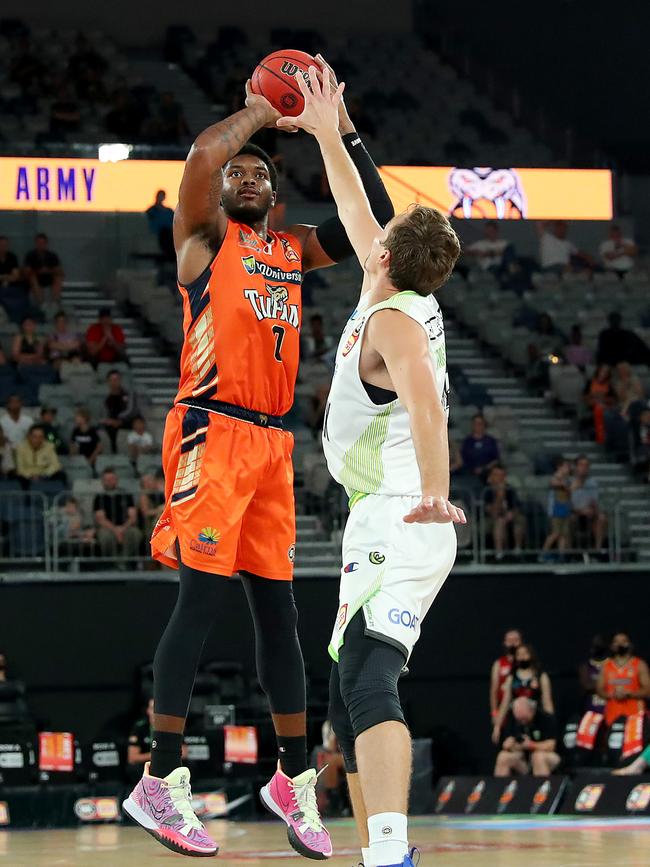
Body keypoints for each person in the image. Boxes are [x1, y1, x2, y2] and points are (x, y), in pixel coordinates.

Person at [124, 54, 395, 860]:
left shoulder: (288, 250)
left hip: (273, 443)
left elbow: (372, 220)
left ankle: (290, 777)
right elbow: (203, 159)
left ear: (275, 194)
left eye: (259, 174)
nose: (244, 176)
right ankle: (158, 778)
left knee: (280, 614)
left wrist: (339, 129)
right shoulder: (203, 240)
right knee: (201, 601)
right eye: (239, 172)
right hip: (211, 427)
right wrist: (257, 111)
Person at [286, 66, 465, 867]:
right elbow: (360, 204)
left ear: (388, 255)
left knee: (367, 675)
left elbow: (426, 406)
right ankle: (377, 844)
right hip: (379, 510)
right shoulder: (389, 290)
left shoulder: (394, 320)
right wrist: (331, 128)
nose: (369, 232)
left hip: (404, 509)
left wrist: (435, 492)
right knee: (343, 695)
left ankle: (389, 850)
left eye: (379, 236)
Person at [493, 644, 554, 744]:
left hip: (536, 721)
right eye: (519, 654)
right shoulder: (512, 678)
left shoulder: (540, 676)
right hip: (516, 723)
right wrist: (497, 725)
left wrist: (551, 724)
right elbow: (505, 703)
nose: (522, 657)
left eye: (525, 653)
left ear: (531, 655)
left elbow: (547, 701)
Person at [494, 697, 560, 777]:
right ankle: (501, 788)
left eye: (524, 719)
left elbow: (551, 746)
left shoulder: (546, 718)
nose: (522, 722)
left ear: (532, 710)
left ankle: (541, 788)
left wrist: (531, 745)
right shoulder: (514, 720)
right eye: (519, 720)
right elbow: (509, 742)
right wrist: (510, 745)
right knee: (503, 757)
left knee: (538, 757)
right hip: (525, 762)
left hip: (548, 758)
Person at [597, 633, 650, 727]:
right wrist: (611, 694)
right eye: (616, 641)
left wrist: (629, 694)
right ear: (612, 645)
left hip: (635, 716)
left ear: (629, 644)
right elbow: (599, 689)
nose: (620, 644)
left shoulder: (639, 664)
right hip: (612, 717)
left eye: (623, 641)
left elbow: (648, 689)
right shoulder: (606, 666)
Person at [93, 468, 142, 563]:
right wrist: (116, 530)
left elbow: (133, 516)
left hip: (126, 526)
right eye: (107, 480)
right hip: (107, 528)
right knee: (105, 537)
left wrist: (122, 529)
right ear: (103, 482)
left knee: (135, 534)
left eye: (112, 479)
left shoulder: (126, 495)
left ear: (116, 480)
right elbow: (101, 519)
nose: (109, 482)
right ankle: (112, 561)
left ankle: (122, 560)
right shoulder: (99, 498)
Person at [483, 465, 526, 560]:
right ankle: (499, 552)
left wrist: (511, 514)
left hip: (507, 516)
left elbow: (516, 507)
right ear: (491, 477)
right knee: (499, 522)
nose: (499, 478)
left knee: (519, 520)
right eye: (496, 475)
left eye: (501, 475)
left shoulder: (510, 489)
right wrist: (500, 496)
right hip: (491, 519)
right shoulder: (487, 491)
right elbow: (492, 512)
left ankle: (517, 549)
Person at [570, 455, 607, 552]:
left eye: (586, 465)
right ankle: (570, 551)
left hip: (589, 514)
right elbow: (567, 503)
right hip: (574, 513)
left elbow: (594, 502)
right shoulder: (569, 482)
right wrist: (580, 511)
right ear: (576, 467)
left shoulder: (592, 483)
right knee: (570, 519)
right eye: (581, 465)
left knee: (601, 518)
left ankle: (597, 550)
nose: (584, 468)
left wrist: (593, 510)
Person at [540, 456, 572, 560]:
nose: (568, 469)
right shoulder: (555, 478)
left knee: (563, 534)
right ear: (559, 467)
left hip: (565, 508)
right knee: (555, 533)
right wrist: (564, 485)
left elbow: (569, 491)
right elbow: (554, 483)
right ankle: (543, 554)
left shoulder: (567, 480)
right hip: (555, 509)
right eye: (566, 466)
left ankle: (561, 555)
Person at [490, 629, 524, 722]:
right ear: (505, 643)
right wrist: (494, 713)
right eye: (509, 640)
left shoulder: (526, 663)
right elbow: (494, 690)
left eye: (515, 640)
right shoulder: (499, 664)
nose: (512, 643)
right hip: (504, 713)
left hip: (523, 711)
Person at [103, 370, 137, 452]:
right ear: (108, 382)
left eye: (117, 379)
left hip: (126, 423)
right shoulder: (106, 397)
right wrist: (109, 421)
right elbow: (103, 414)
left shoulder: (127, 395)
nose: (115, 382)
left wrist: (119, 421)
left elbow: (131, 411)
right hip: (109, 424)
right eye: (112, 380)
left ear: (120, 380)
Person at [23, 233, 64, 304]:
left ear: (46, 243)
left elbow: (58, 270)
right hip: (36, 278)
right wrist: (39, 271)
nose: (41, 245)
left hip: (49, 278)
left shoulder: (52, 255)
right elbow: (27, 271)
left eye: (43, 243)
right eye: (39, 243)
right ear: (36, 243)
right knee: (32, 278)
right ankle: (41, 302)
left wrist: (48, 271)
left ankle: (55, 302)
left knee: (58, 277)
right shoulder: (30, 255)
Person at [460, 414, 501, 483]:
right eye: (475, 423)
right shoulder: (467, 441)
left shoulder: (491, 441)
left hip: (487, 472)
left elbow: (496, 459)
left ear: (484, 425)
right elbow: (463, 459)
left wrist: (484, 468)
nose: (477, 426)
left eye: (480, 424)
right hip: (469, 473)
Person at [578, 634, 608, 715]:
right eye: (595, 645)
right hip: (591, 711)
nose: (597, 646)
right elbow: (586, 686)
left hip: (610, 709)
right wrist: (606, 683)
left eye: (600, 644)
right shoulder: (585, 667)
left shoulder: (611, 665)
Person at [146, 190, 175, 261]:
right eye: (159, 196)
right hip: (160, 233)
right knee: (165, 233)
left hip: (170, 233)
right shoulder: (152, 210)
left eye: (162, 196)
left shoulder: (169, 211)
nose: (160, 198)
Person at [139, 471, 166, 540]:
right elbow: (146, 513)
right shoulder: (144, 496)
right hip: (150, 523)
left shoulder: (159, 493)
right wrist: (158, 510)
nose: (150, 483)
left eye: (151, 480)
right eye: (147, 481)